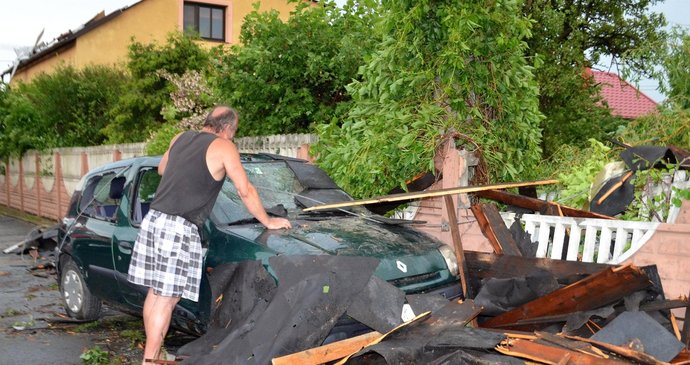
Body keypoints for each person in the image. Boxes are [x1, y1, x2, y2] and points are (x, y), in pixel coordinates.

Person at [127, 105, 292, 364]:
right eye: (234, 132)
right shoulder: (224, 147)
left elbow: (162, 169)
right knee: (167, 300)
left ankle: (155, 354)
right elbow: (245, 190)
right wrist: (268, 221)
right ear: (227, 128)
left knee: (156, 293)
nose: (233, 137)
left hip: (155, 220)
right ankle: (150, 361)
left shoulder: (180, 138)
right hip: (179, 227)